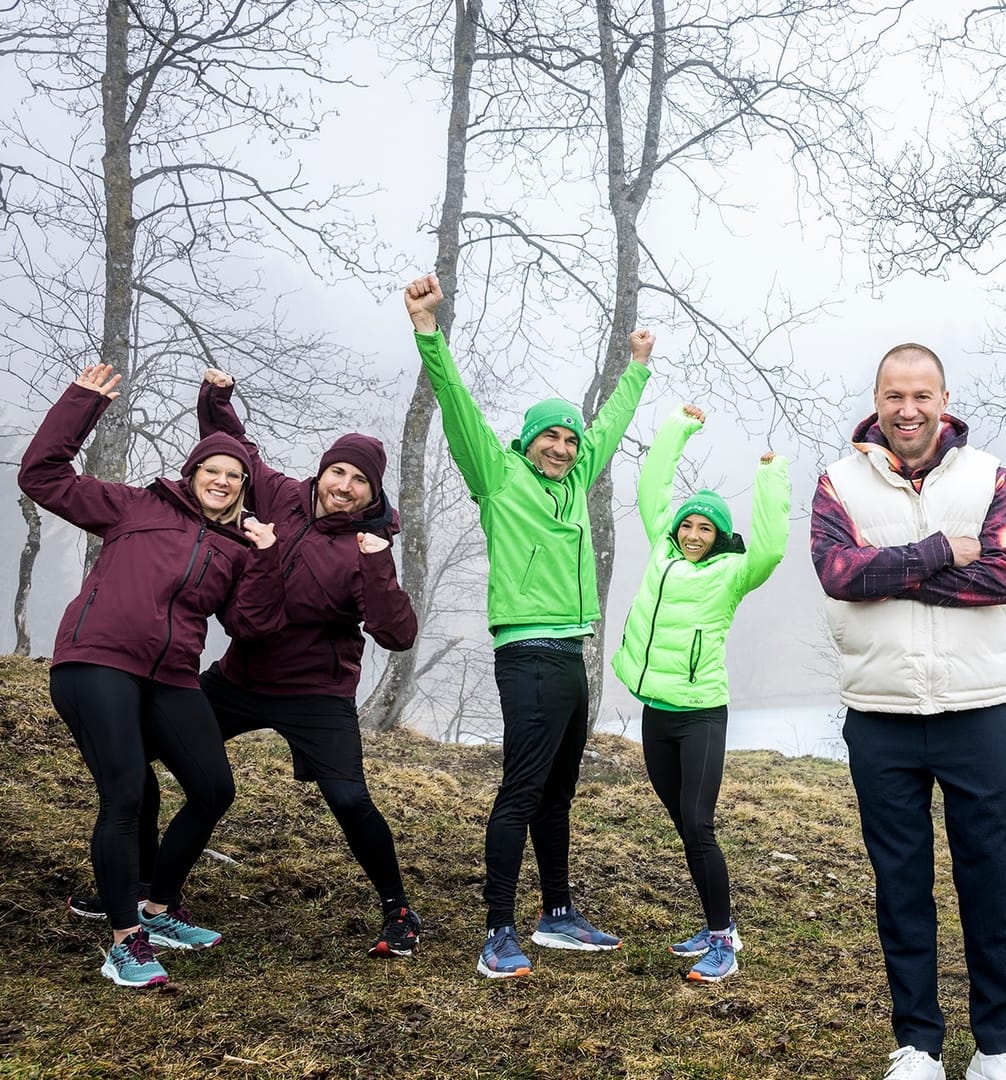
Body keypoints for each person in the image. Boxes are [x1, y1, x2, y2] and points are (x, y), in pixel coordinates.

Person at [403, 273, 654, 978]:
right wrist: (428, 333)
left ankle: (557, 915)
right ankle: (497, 932)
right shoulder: (499, 477)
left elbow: (608, 426)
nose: (565, 448)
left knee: (558, 791)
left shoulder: (577, 483)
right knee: (520, 789)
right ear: (529, 439)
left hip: (572, 656)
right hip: (526, 654)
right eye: (552, 437)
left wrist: (637, 368)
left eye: (570, 441)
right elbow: (456, 404)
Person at [810, 343, 1006, 1080]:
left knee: (989, 881)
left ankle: (998, 1047)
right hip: (879, 714)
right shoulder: (838, 481)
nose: (907, 409)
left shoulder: (990, 474)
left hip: (976, 711)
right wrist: (941, 550)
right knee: (900, 884)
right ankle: (918, 1046)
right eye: (894, 395)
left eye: (921, 394)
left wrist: (892, 568)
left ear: (944, 399)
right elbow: (839, 574)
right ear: (876, 400)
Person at [19, 363, 283, 988]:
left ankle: (157, 910)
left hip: (170, 676)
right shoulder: (134, 506)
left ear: (243, 488)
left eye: (234, 476)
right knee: (127, 795)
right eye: (211, 471)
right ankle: (123, 941)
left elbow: (255, 625)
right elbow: (42, 476)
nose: (221, 481)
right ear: (191, 476)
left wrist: (267, 558)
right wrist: (83, 403)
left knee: (214, 788)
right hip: (97, 661)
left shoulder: (236, 550)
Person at [195, 368, 424, 956]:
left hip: (315, 693)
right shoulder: (279, 496)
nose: (344, 487)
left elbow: (397, 633)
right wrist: (217, 398)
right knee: (144, 744)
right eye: (338, 472)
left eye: (359, 483)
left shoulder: (365, 550)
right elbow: (236, 453)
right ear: (323, 472)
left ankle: (398, 909)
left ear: (373, 496)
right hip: (239, 678)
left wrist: (377, 565)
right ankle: (136, 884)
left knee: (349, 798)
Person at [610, 404, 788, 983]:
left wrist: (770, 475)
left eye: (704, 528)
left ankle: (723, 937)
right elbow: (651, 484)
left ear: (718, 537)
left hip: (701, 715)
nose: (691, 535)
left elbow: (770, 546)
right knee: (685, 825)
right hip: (654, 711)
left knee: (699, 822)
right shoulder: (662, 551)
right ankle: (714, 926)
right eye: (687, 525)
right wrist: (679, 428)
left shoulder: (732, 573)